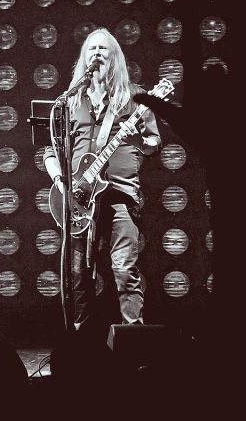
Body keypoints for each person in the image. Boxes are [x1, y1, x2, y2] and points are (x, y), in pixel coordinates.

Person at [43, 28, 159, 327]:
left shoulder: (135, 97)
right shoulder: (70, 101)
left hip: (120, 194)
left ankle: (134, 341)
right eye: (91, 49)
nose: (97, 53)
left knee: (123, 269)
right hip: (79, 198)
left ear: (114, 57)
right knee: (78, 273)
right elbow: (51, 151)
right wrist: (59, 180)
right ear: (84, 58)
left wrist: (136, 141)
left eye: (103, 49)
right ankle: (80, 339)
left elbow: (153, 144)